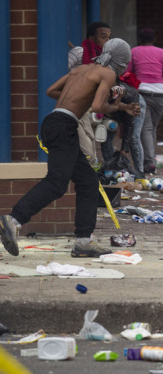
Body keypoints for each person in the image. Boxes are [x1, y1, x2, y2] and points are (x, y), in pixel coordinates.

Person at [0, 39, 141, 258]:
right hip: (64, 127)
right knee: (57, 183)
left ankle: (84, 242)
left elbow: (51, 90)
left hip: (53, 122)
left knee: (88, 182)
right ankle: (13, 219)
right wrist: (119, 106)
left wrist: (79, 100)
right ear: (122, 60)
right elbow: (98, 107)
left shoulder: (82, 69)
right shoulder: (108, 74)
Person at [127, 28, 163, 174]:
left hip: (142, 92)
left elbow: (127, 71)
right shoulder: (162, 53)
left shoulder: (134, 51)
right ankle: (150, 158)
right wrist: (160, 72)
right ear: (154, 39)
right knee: (151, 127)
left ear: (140, 39)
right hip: (160, 94)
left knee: (147, 128)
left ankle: (149, 162)